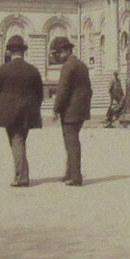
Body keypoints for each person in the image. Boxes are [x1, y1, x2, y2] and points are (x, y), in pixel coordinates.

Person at [0, 35, 43, 187]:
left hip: (9, 112)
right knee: (20, 140)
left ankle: (21, 177)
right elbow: (40, 93)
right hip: (29, 112)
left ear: (9, 52)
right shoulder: (33, 70)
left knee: (16, 141)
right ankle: (21, 173)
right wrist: (35, 107)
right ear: (23, 52)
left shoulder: (4, 69)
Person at [50, 36, 93, 185]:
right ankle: (70, 173)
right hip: (80, 110)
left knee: (71, 142)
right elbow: (88, 89)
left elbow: (63, 90)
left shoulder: (68, 66)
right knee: (71, 141)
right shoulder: (81, 65)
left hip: (70, 111)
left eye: (58, 53)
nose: (57, 57)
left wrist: (56, 108)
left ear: (66, 51)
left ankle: (75, 176)